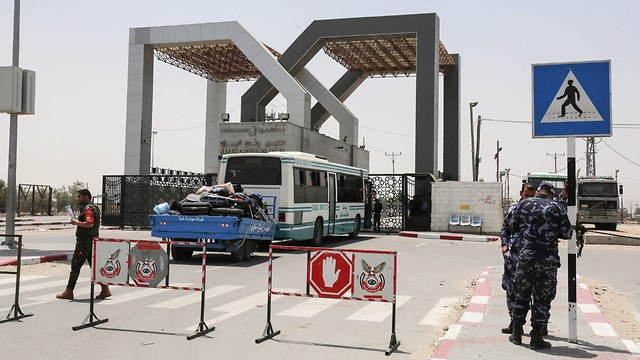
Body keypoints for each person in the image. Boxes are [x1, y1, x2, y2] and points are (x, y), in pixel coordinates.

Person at [508, 182, 572, 349]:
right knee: (542, 298)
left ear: (538, 192)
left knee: (522, 294)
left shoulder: (523, 204)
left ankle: (516, 334)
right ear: (551, 194)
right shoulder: (556, 207)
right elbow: (567, 233)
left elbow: (512, 226)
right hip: (546, 261)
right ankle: (536, 338)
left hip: (525, 259)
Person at [56, 189, 111, 300]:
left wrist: (76, 222)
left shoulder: (88, 209)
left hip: (84, 243)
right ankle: (105, 289)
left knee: (75, 267)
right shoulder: (94, 208)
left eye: (80, 197)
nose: (78, 199)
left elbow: (89, 224)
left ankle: (69, 291)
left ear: (86, 197)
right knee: (95, 267)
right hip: (93, 242)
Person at [499, 182, 537, 335]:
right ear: (521, 194)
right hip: (513, 257)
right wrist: (504, 245)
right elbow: (505, 229)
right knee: (511, 289)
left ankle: (539, 325)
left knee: (535, 292)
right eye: (526, 195)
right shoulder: (513, 210)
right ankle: (515, 324)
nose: (529, 199)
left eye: (532, 196)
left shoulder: (539, 211)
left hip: (532, 258)